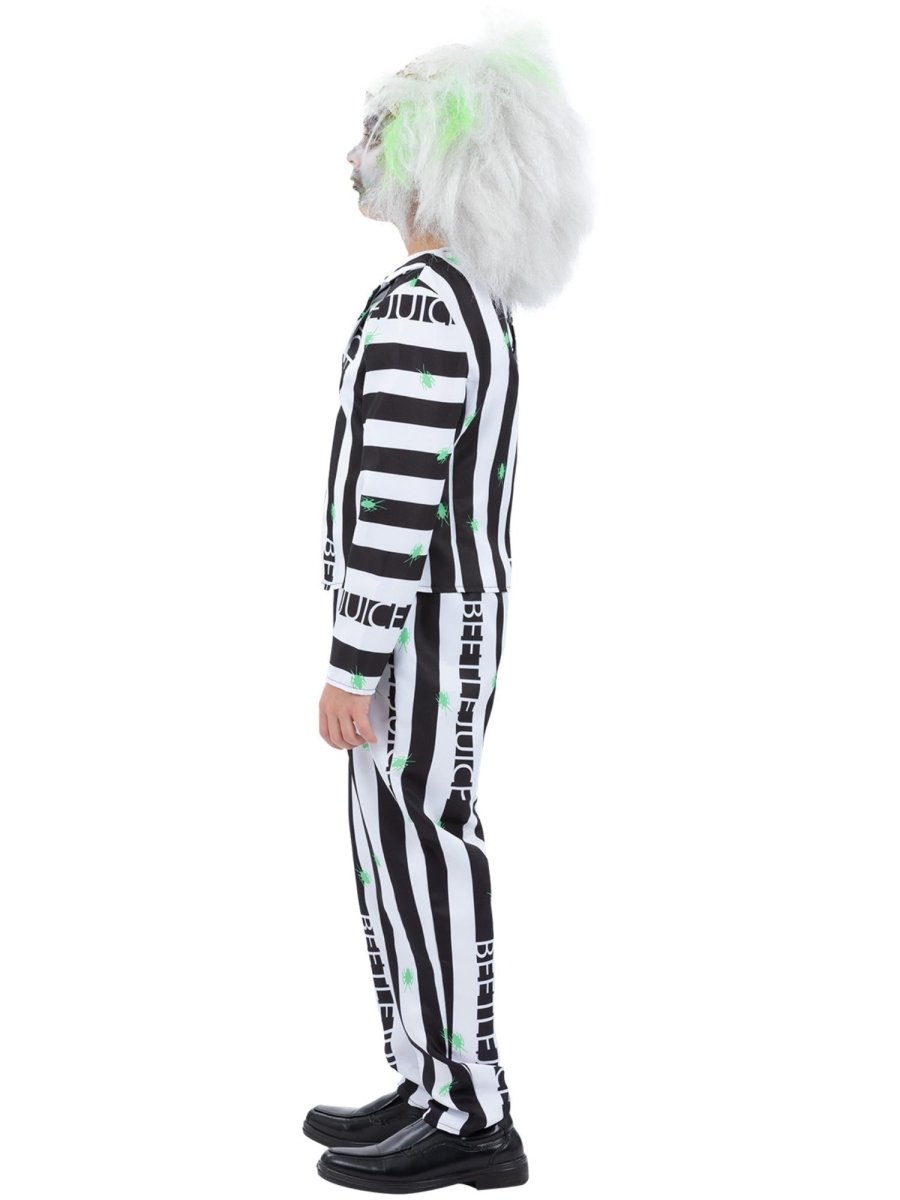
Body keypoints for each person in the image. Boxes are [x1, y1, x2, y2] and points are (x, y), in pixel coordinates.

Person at [307, 18, 593, 1192]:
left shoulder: (426, 306)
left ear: (433, 159)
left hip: (420, 630)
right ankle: (428, 1077)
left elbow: (394, 499)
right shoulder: (468, 299)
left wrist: (350, 658)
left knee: (424, 847)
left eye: (377, 135)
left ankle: (471, 1110)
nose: (355, 156)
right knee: (405, 845)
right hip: (431, 624)